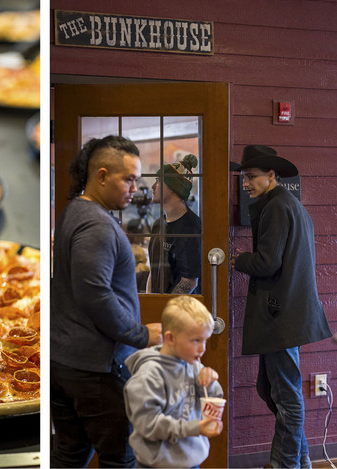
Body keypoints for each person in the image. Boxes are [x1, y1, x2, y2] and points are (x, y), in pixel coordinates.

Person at [51, 135, 163, 468]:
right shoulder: (96, 225)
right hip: (96, 369)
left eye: (136, 180)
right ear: (101, 176)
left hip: (69, 362)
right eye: (128, 179)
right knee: (120, 458)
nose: (134, 188)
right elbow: (94, 292)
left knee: (71, 452)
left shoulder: (77, 211)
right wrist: (140, 335)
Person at [230, 145, 332, 468]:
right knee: (271, 388)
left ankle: (285, 464)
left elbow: (267, 262)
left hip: (281, 317)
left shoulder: (276, 207)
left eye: (251, 177)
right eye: (244, 177)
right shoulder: (290, 205)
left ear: (271, 175)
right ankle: (300, 459)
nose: (245, 183)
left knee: (285, 395)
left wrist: (239, 260)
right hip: (286, 315)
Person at [124, 296, 224, 468]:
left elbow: (214, 397)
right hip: (157, 464)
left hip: (191, 461)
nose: (203, 348)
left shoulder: (193, 365)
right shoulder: (149, 376)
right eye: (196, 340)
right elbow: (148, 425)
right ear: (170, 338)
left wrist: (209, 383)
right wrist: (193, 428)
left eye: (205, 340)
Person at [147, 154, 202, 294]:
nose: (153, 187)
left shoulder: (190, 226)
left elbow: (189, 282)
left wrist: (165, 309)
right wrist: (149, 300)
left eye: (158, 181)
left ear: (174, 188)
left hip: (181, 311)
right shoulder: (159, 224)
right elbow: (153, 271)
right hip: (158, 306)